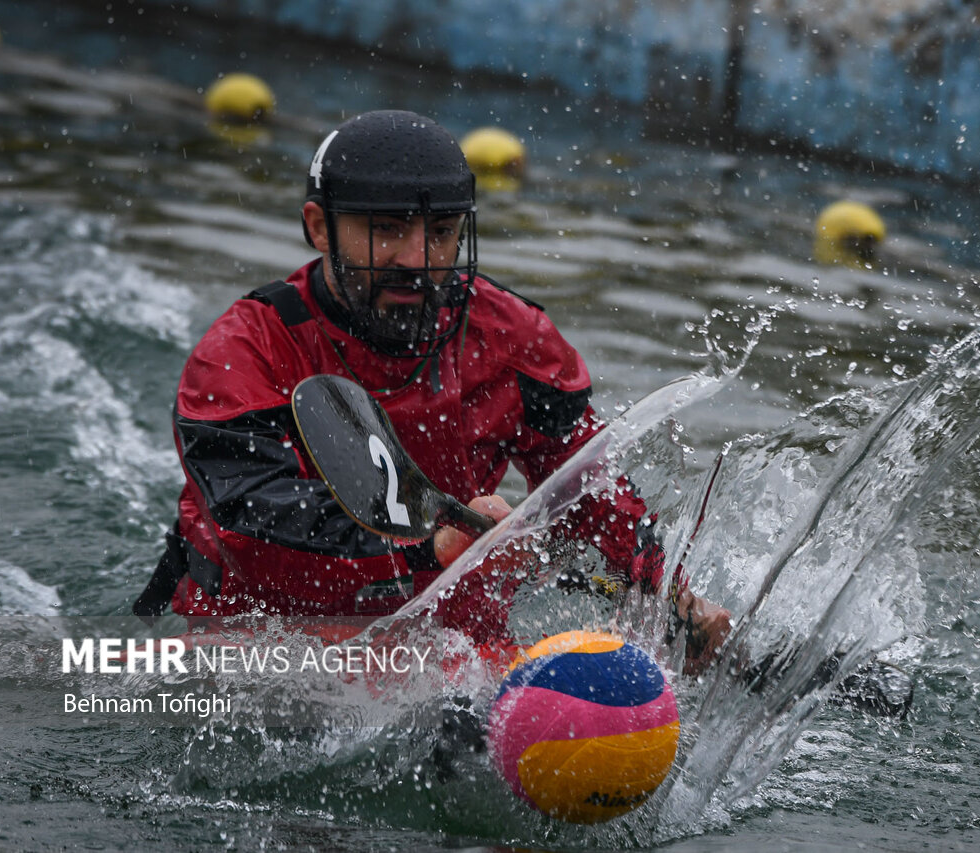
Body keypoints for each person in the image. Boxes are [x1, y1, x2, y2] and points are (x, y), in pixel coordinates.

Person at [132, 110, 729, 667]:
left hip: (448, 653)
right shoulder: (245, 350)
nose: (418, 259)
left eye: (441, 232)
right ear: (319, 227)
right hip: (266, 648)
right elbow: (248, 521)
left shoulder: (511, 337)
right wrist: (427, 548)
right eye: (387, 229)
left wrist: (668, 595)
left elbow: (590, 484)